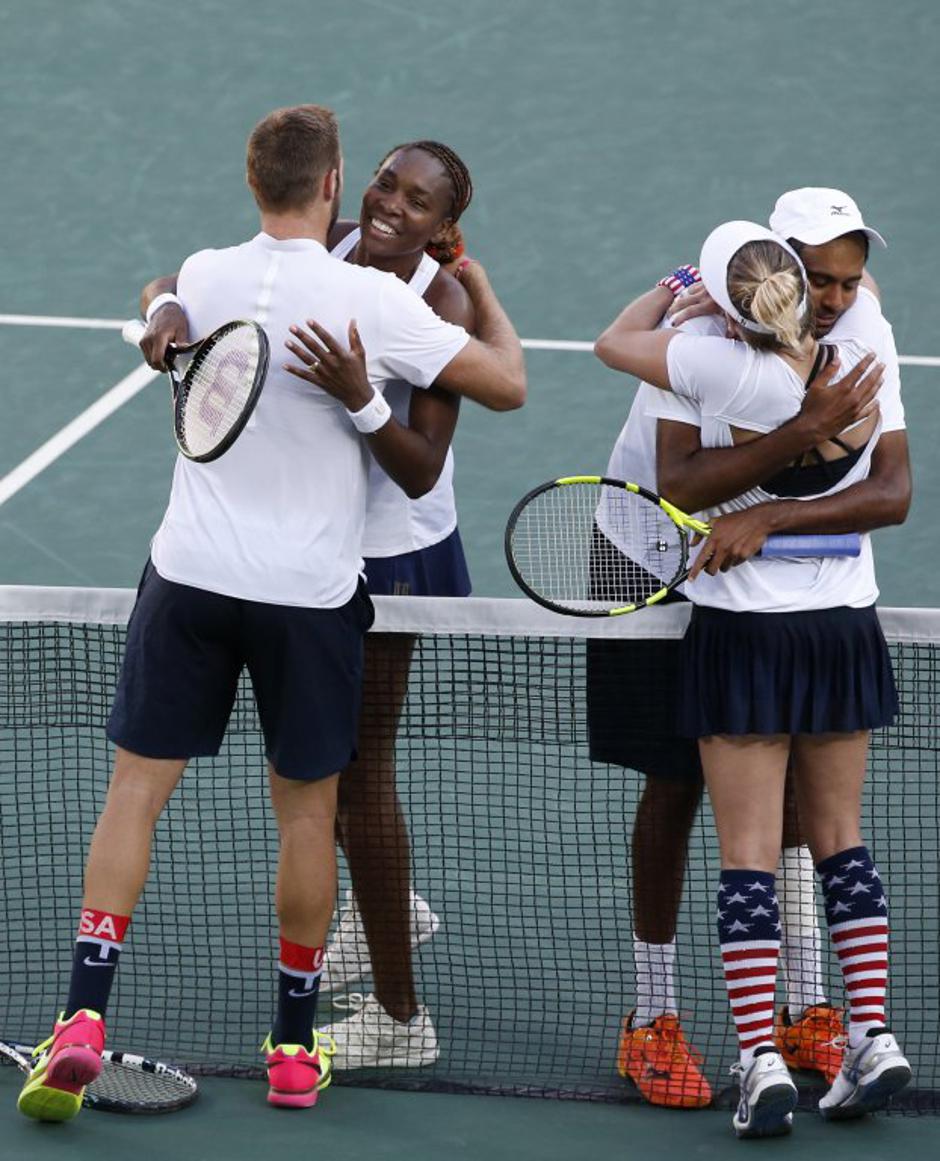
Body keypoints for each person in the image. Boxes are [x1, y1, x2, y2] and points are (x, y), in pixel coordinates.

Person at [17, 103, 525, 1124]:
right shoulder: (369, 307)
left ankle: (79, 1020)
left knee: (133, 795)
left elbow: (168, 284)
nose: (387, 201)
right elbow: (505, 387)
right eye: (378, 183)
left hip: (191, 578)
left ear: (252, 184)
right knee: (307, 812)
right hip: (307, 598)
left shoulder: (207, 273)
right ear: (335, 183)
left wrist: (162, 312)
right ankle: (295, 1046)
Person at [140, 141, 507, 1071]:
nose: (390, 207)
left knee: (356, 774)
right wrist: (166, 305)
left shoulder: (440, 300)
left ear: (443, 226)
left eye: (417, 202)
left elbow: (424, 464)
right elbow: (175, 276)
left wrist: (359, 399)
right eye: (386, 182)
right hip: (318, 551)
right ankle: (384, 910)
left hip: (394, 553)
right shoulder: (335, 245)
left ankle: (399, 1014)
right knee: (335, 777)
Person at [595, 219, 911, 1138]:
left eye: (850, 283)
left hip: (744, 604)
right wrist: (807, 435)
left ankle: (795, 1019)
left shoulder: (737, 345)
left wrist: (768, 515)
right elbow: (673, 485)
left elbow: (618, 350)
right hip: (649, 561)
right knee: (675, 788)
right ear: (783, 268)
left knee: (769, 829)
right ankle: (657, 1013)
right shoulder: (703, 350)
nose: (834, 300)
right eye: (819, 279)